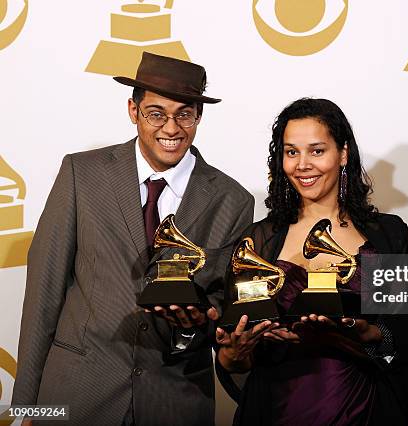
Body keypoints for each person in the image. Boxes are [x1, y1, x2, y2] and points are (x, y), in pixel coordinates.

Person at [12, 52, 254, 425]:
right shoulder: (81, 174)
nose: (171, 128)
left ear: (199, 117)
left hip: (175, 400)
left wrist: (197, 324)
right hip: (77, 392)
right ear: (132, 110)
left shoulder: (232, 200)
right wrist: (27, 408)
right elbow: (44, 292)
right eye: (156, 113)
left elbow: (225, 306)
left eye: (184, 114)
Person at [215, 98, 408, 425]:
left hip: (368, 411)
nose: (302, 164)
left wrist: (368, 333)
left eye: (317, 150)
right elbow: (237, 354)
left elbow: (407, 333)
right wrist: (233, 353)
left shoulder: (389, 235)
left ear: (343, 154)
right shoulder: (259, 242)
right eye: (291, 151)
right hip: (275, 411)